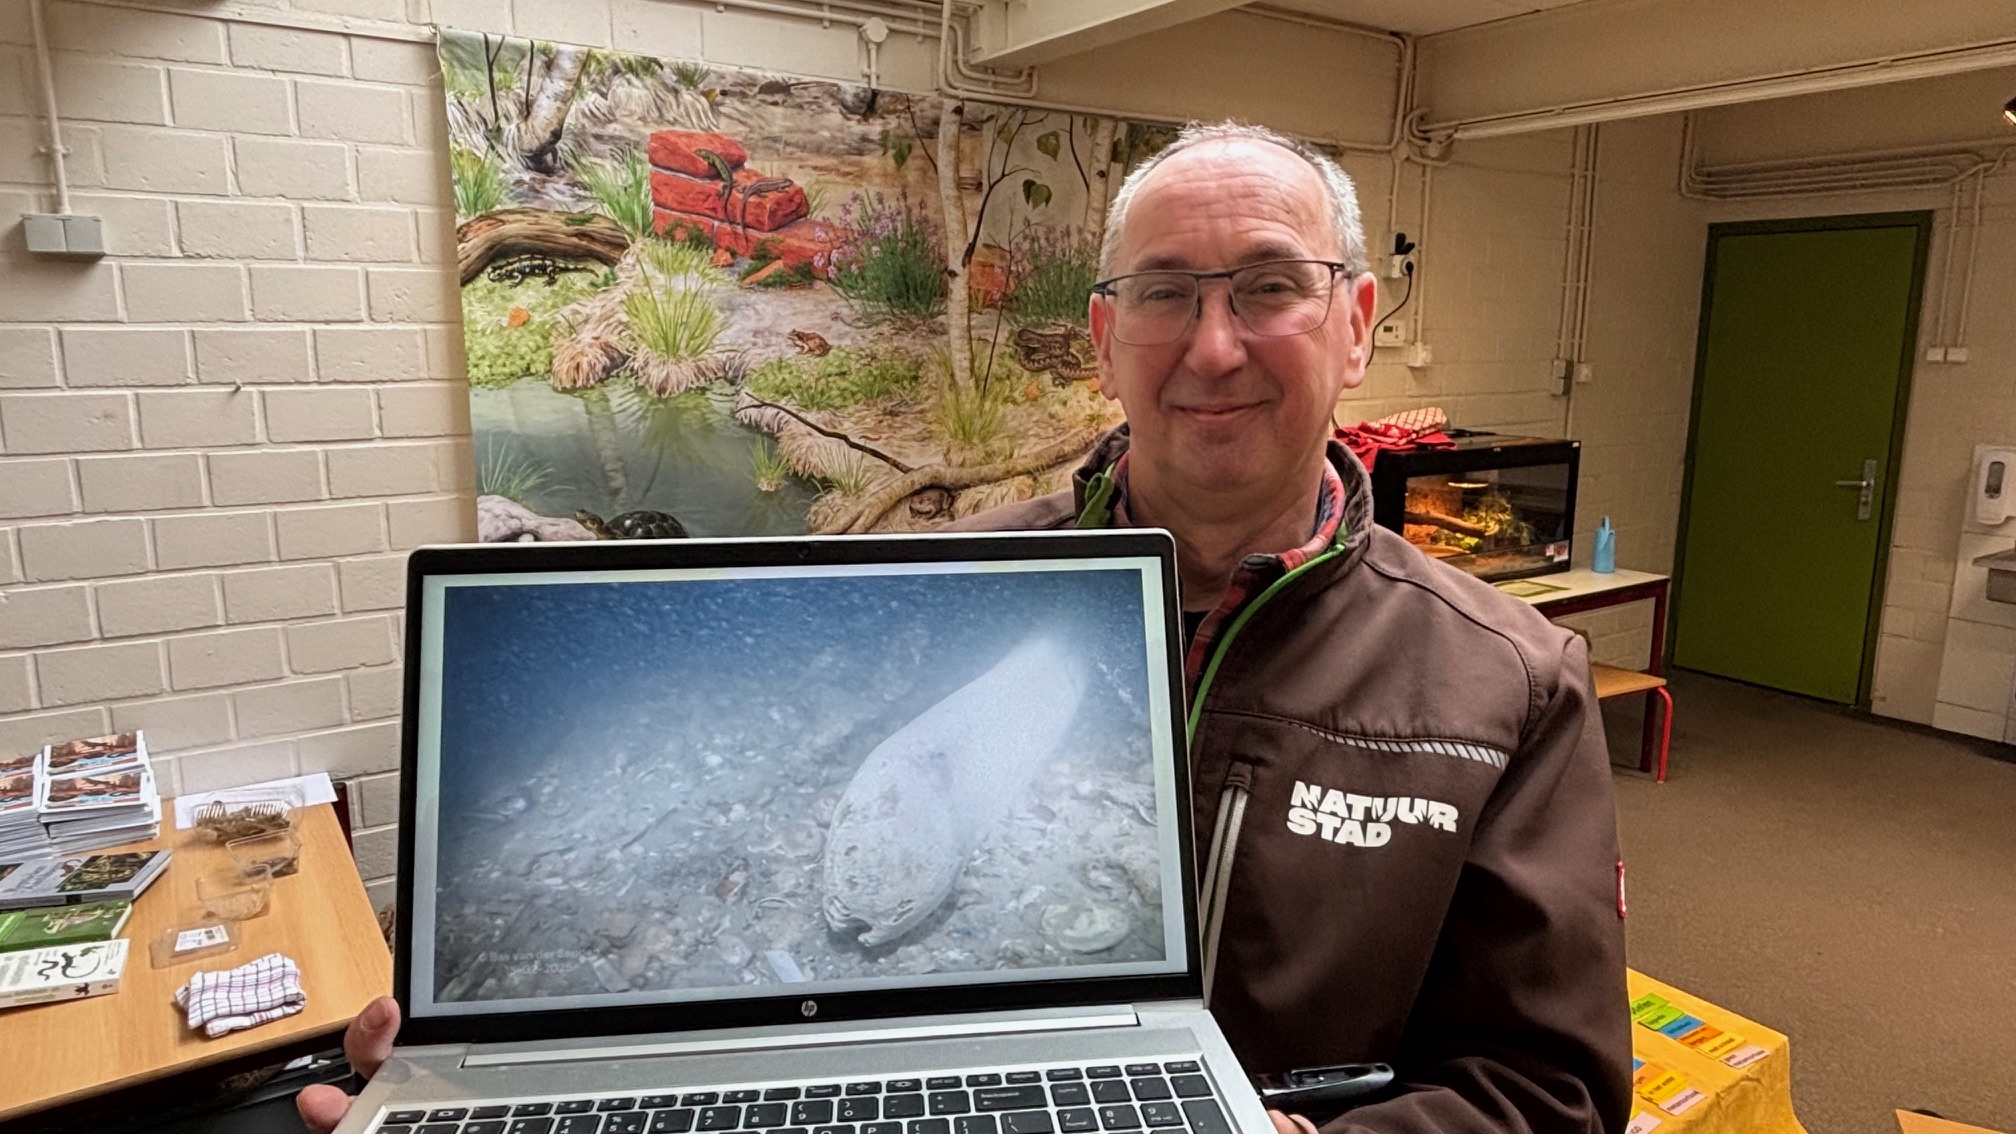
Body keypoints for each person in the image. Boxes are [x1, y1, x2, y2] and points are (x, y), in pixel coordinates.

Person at [301, 121, 1630, 1134]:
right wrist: (504, 1053)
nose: (1212, 345)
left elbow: (1552, 1085)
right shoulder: (951, 581)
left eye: (1268, 286)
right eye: (1166, 292)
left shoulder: (1506, 682)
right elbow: (811, 975)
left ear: (1354, 324)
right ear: (1105, 337)